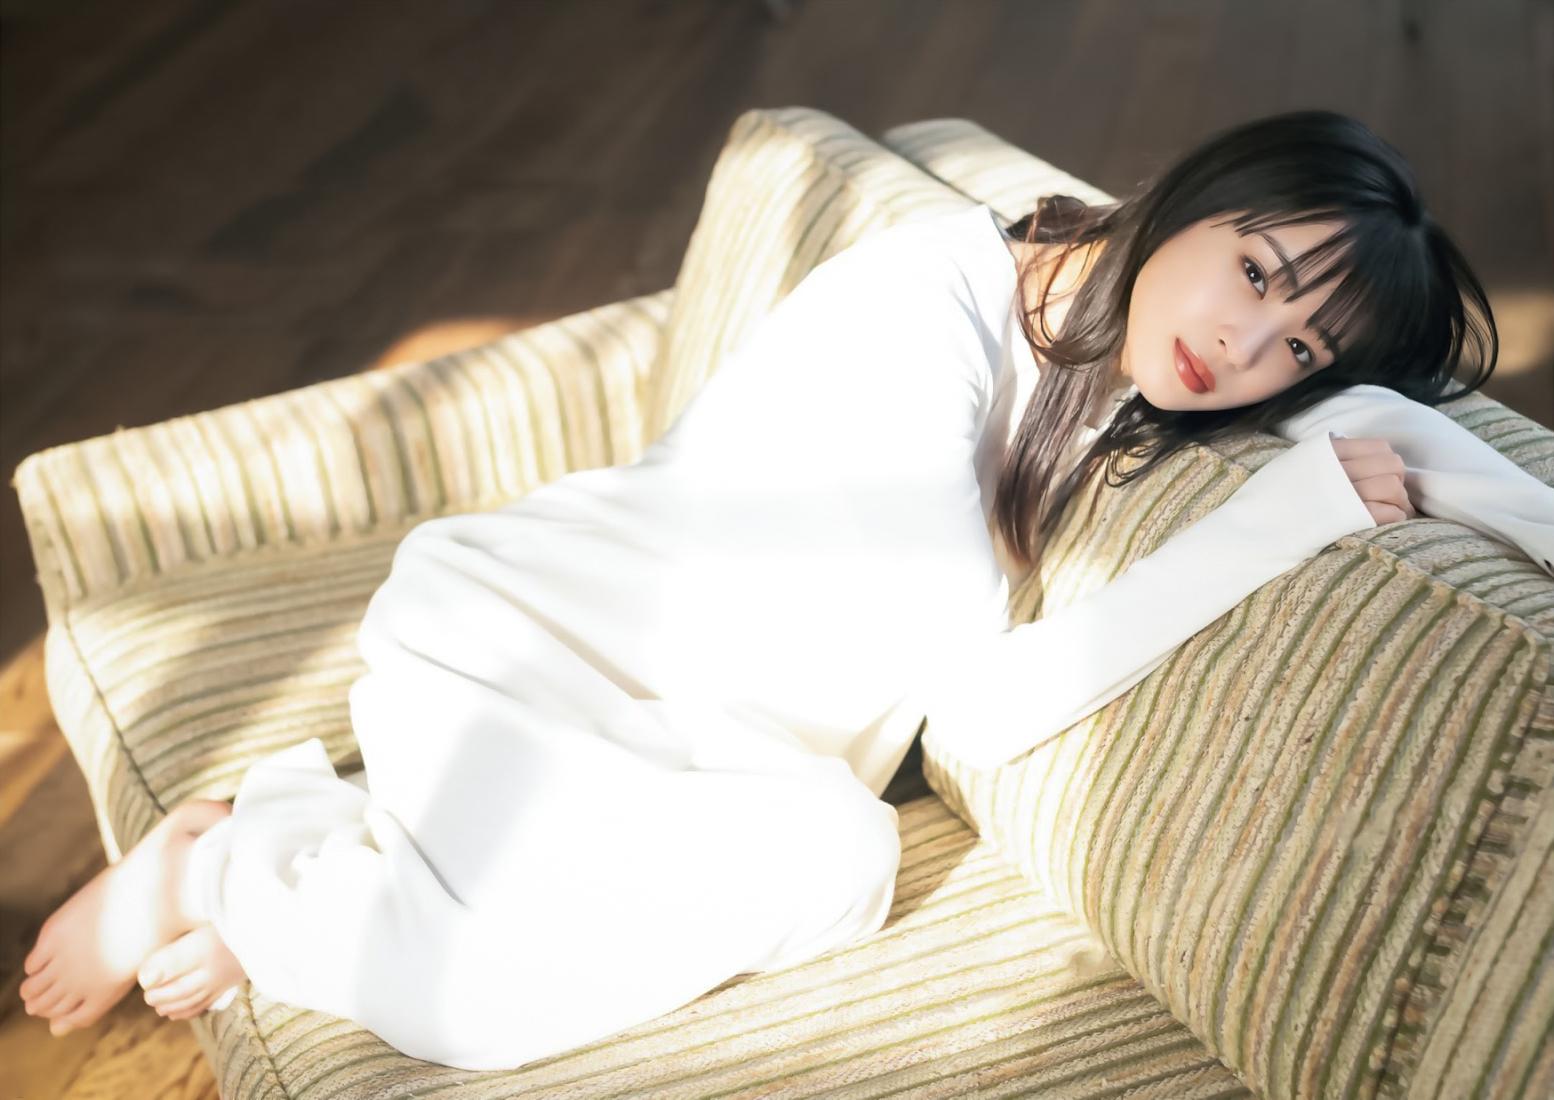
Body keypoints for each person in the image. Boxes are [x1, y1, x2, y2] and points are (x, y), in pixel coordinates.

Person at [20, 111, 1554, 1070]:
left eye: (1300, 347)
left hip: (693, 749)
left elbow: (1408, 435)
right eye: (1258, 272)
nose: (1248, 344)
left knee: (835, 859)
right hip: (529, 649)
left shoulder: (1124, 366)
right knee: (459, 1009)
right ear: (1199, 198)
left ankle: (317, 857)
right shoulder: (930, 308)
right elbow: (970, 701)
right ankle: (222, 865)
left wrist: (1385, 485)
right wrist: (1271, 521)